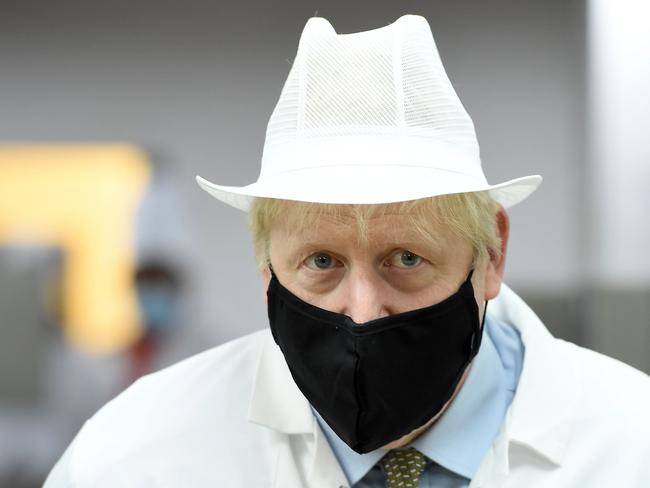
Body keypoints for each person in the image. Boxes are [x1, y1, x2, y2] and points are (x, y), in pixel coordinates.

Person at [45, 14, 650, 488]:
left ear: (490, 256)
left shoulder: (631, 447)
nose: (361, 313)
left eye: (406, 258)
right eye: (321, 262)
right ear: (266, 269)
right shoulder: (132, 458)